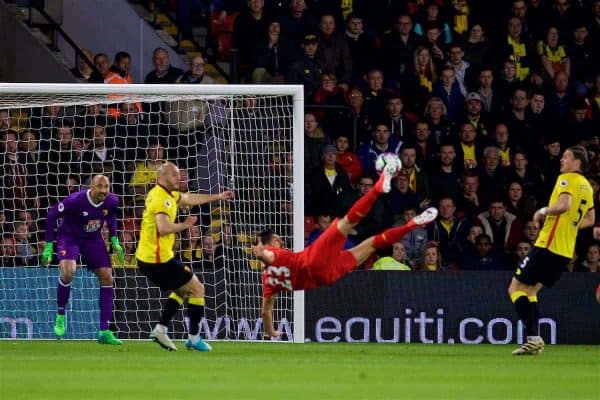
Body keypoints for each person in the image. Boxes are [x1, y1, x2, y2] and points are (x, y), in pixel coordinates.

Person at [252, 159, 438, 338]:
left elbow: (266, 311)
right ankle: (377, 189)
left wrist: (271, 332)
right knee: (348, 221)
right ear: (270, 242)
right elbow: (267, 255)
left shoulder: (269, 281)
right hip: (313, 260)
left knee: (371, 243)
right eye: (278, 240)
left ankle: (410, 225)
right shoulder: (272, 254)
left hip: (326, 276)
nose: (282, 242)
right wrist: (260, 250)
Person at [135, 161, 234, 352]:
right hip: (156, 260)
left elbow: (189, 198)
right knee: (197, 288)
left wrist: (218, 196)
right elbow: (163, 228)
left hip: (157, 257)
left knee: (182, 289)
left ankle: (161, 328)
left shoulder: (169, 194)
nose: (178, 178)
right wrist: (185, 225)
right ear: (162, 177)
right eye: (174, 175)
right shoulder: (159, 198)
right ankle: (194, 338)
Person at [508, 146, 595, 355]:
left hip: (548, 245)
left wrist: (542, 211)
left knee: (515, 288)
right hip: (565, 251)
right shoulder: (587, 187)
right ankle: (534, 341)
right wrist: (570, 227)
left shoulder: (567, 178)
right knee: (531, 291)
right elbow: (590, 219)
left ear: (577, 163)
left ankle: (534, 337)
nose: (561, 160)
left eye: (566, 157)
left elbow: (564, 204)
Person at [40, 175, 125, 345]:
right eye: (100, 186)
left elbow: (111, 217)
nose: (103, 190)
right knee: (68, 271)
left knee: (107, 277)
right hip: (69, 237)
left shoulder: (112, 201)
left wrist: (115, 239)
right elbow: (51, 214)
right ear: (91, 187)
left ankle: (104, 331)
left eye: (106, 186)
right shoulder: (75, 200)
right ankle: (60, 315)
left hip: (93, 239)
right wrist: (49, 245)